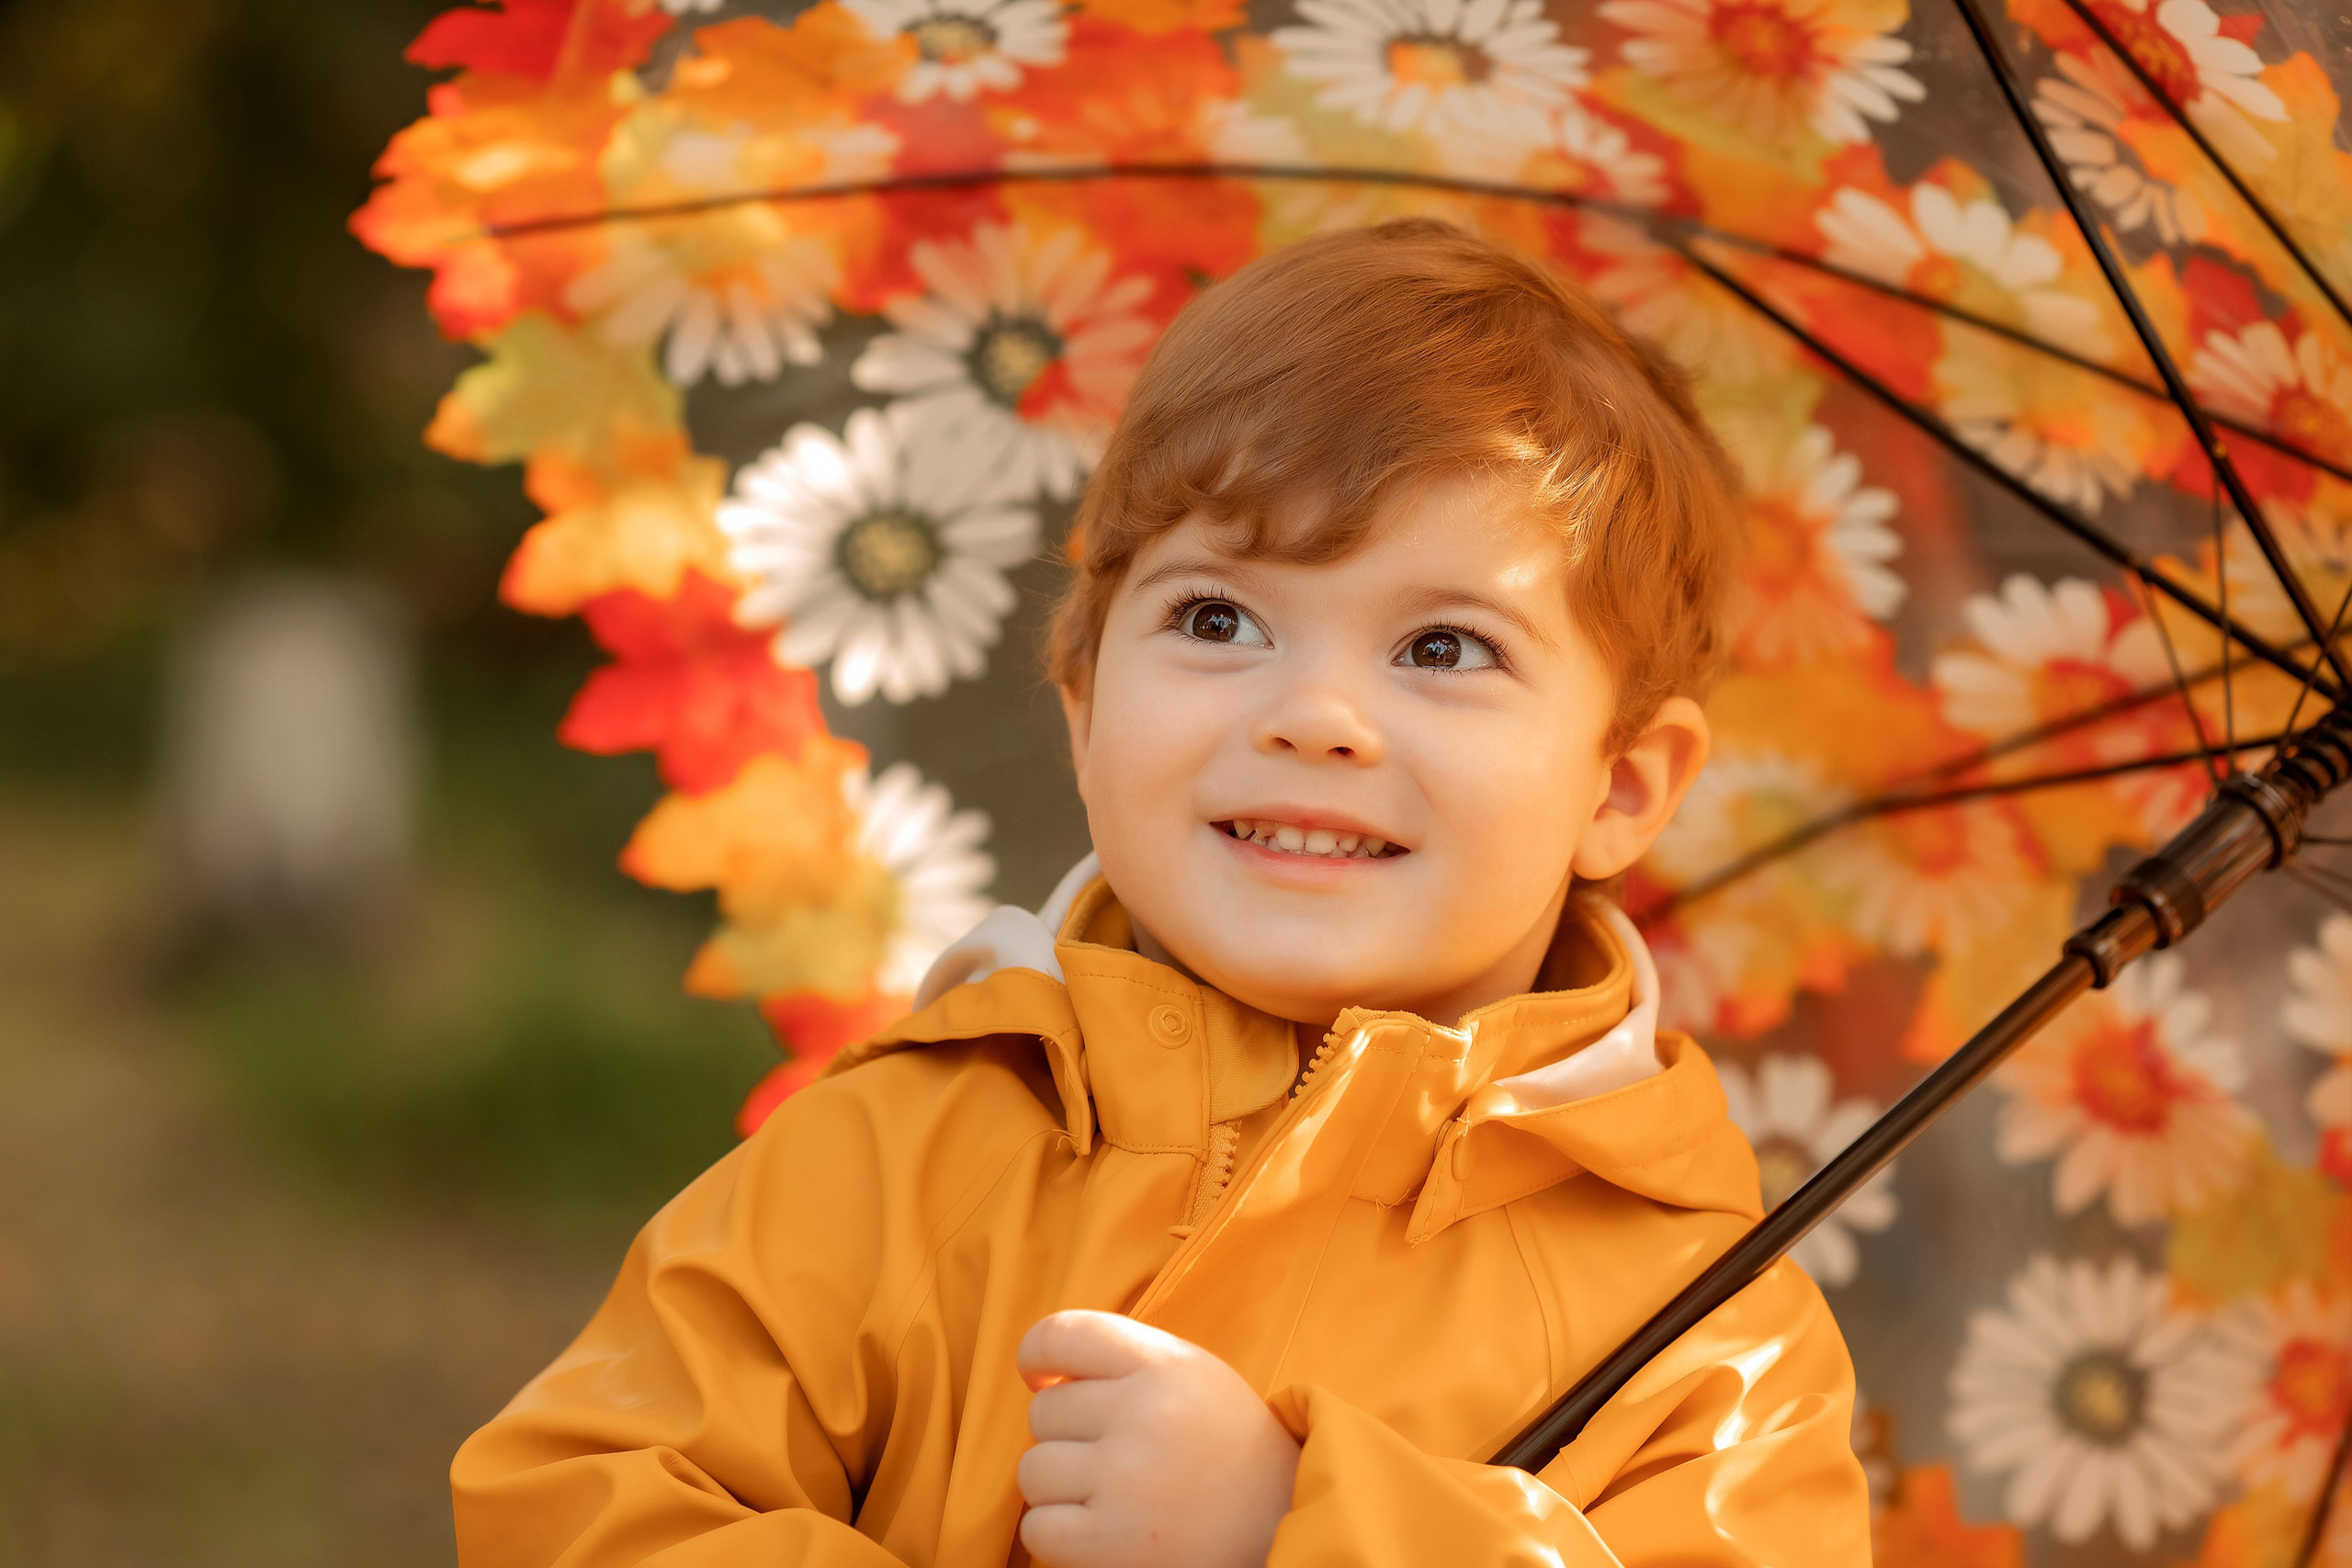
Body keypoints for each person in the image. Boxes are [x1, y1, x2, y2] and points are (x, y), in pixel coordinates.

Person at [451, 218, 1871, 1567]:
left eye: (1443, 649)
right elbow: (586, 1504)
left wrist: (1296, 1529)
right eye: (1219, 618)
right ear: (1083, 704)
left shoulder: (1706, 1340)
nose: (1315, 717)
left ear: (1621, 784)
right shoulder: (906, 1151)